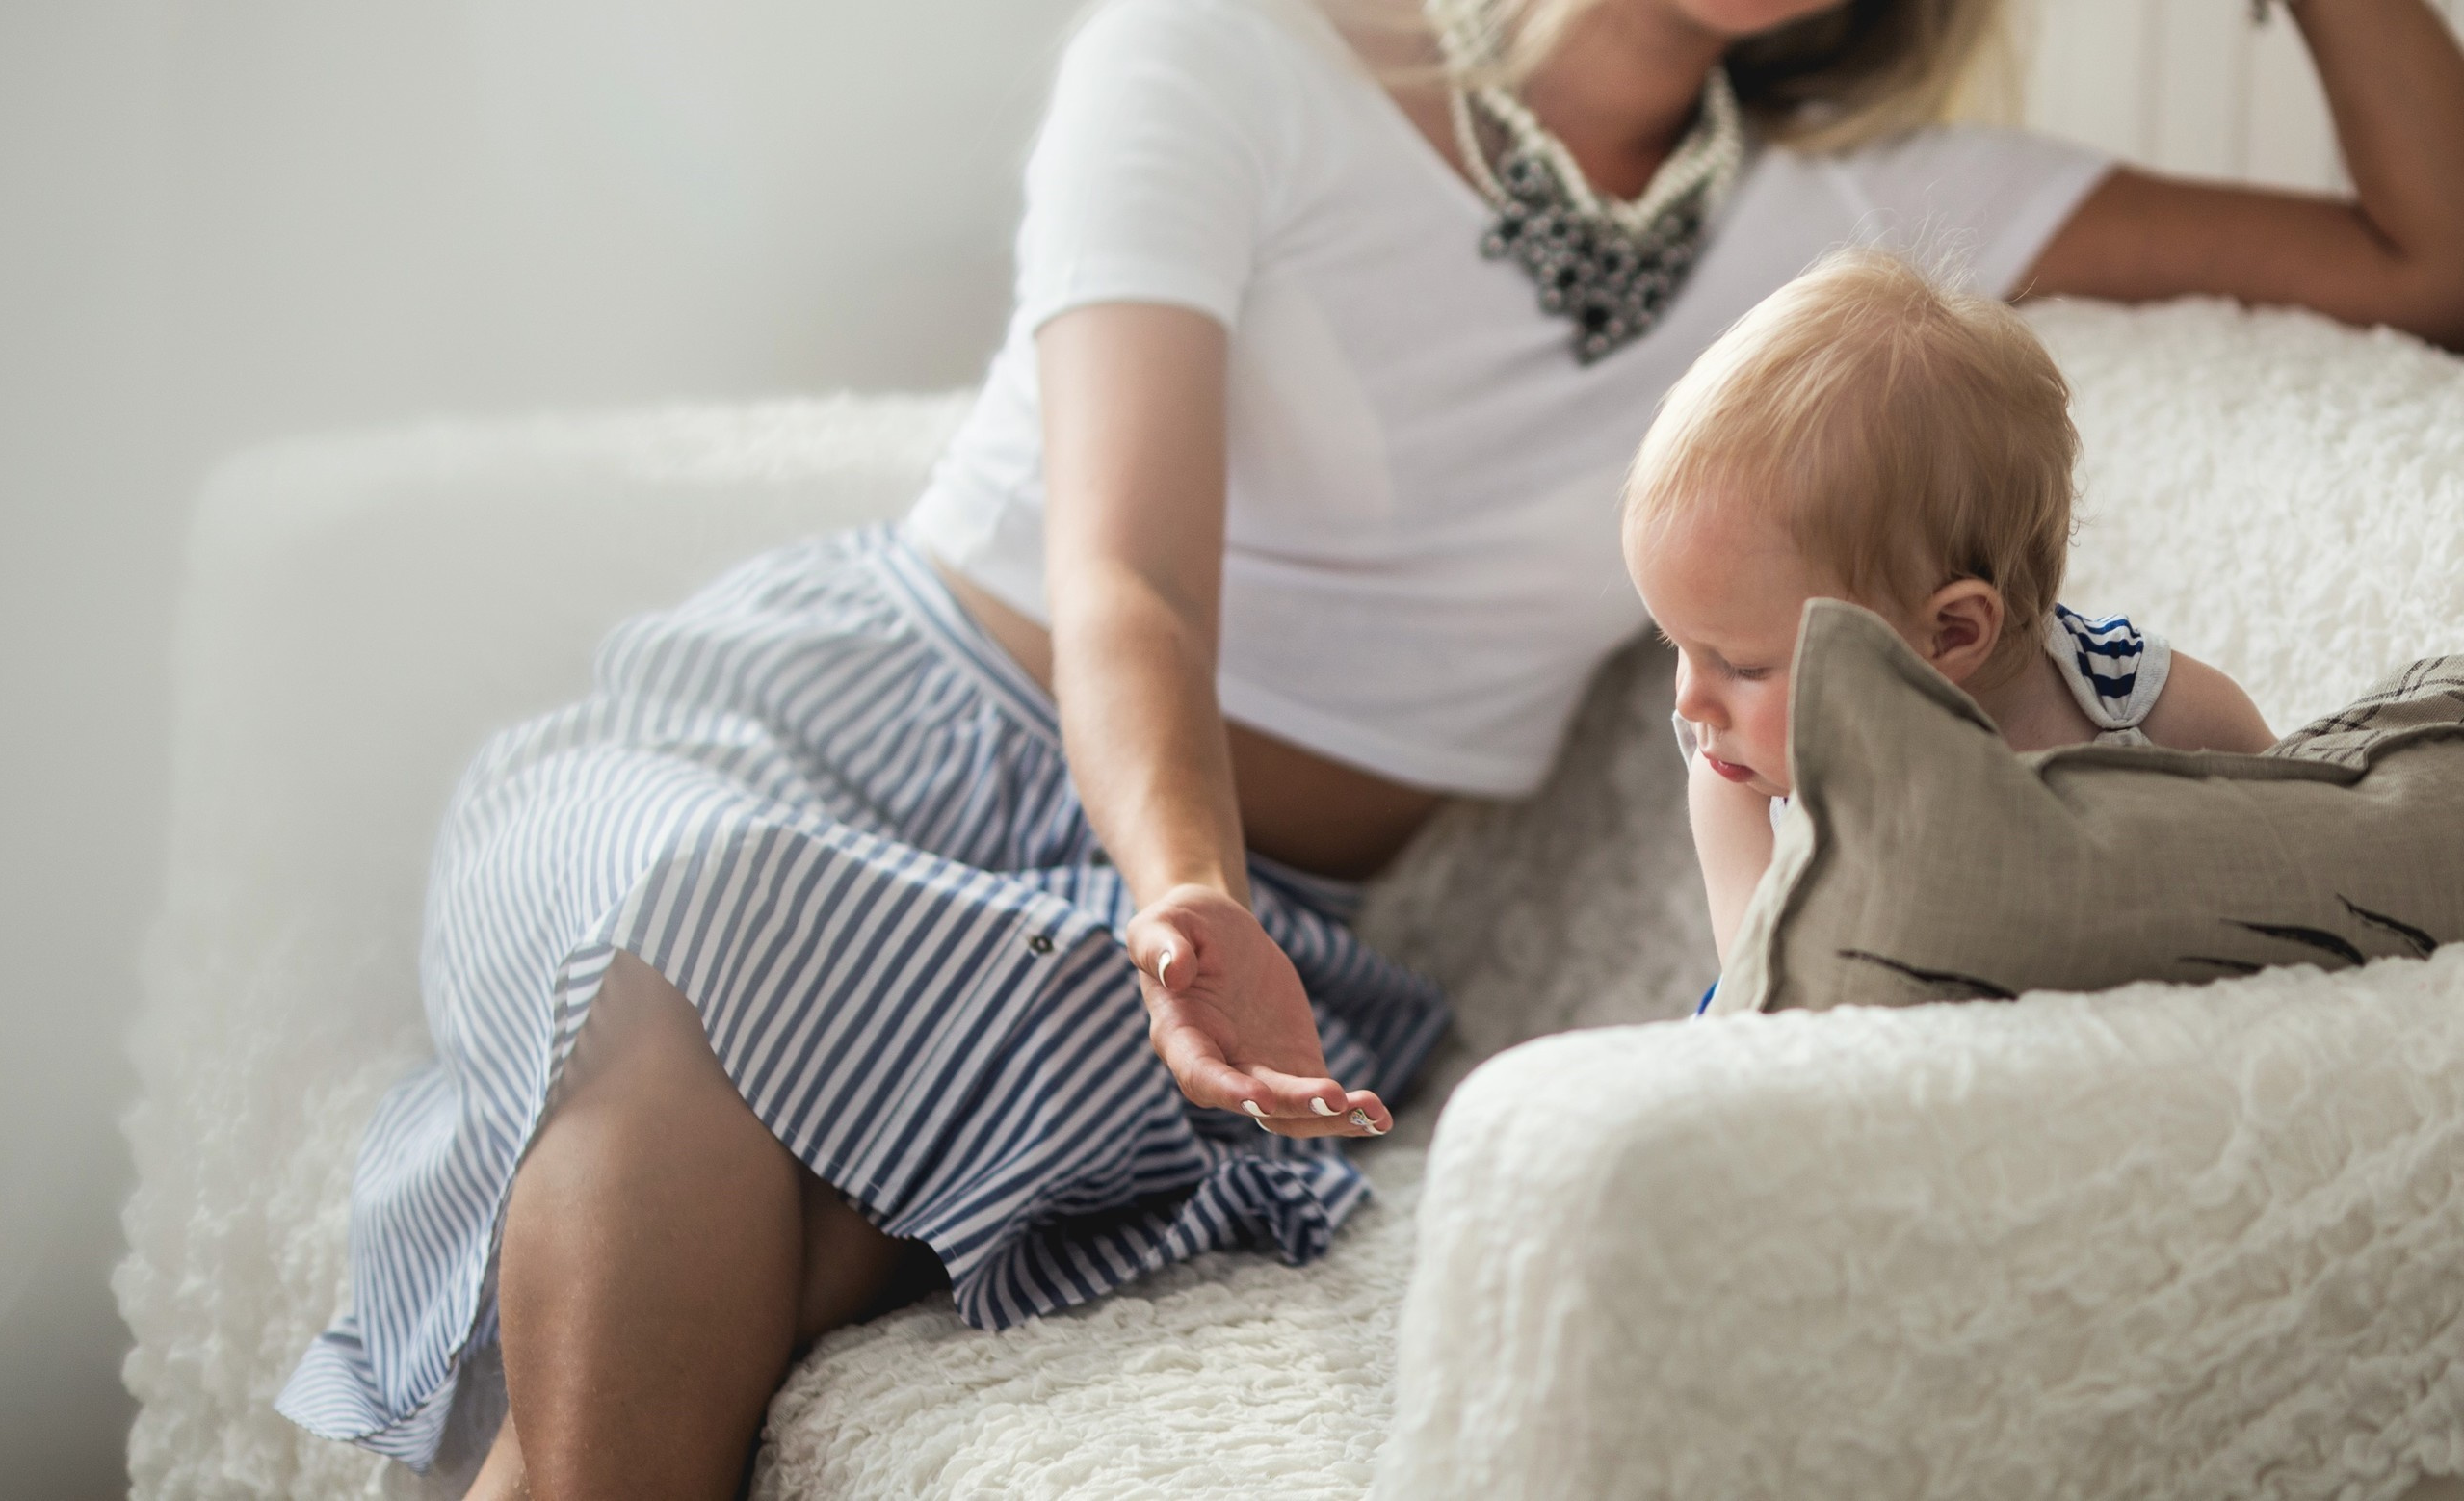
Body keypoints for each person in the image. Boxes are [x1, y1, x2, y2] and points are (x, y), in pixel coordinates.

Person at [273, 0, 2464, 1495]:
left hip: (1185, 928)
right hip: (839, 745)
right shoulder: (1221, 48)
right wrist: (1187, 889)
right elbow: (1129, 589)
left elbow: (2425, 247)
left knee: (720, 1132)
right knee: (703, 933)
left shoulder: (1869, 233)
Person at [1623, 246, 2278, 974]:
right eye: (1675, 643)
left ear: (1951, 633)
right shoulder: (1740, 794)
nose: (1689, 700)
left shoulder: (2140, 713)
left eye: (1743, 664)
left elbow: (2302, 852)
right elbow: (1770, 1010)